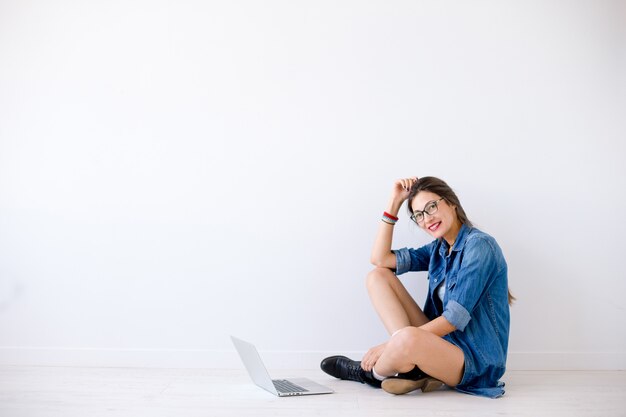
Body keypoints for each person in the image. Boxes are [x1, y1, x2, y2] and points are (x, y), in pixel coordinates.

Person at [320, 176, 513, 398]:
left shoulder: (479, 246)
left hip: (474, 361)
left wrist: (388, 346)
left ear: (451, 202)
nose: (427, 219)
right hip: (442, 345)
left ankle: (371, 374)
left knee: (405, 338)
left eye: (431, 207)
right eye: (419, 215)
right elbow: (380, 259)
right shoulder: (439, 249)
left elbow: (453, 319)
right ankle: (412, 367)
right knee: (378, 277)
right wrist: (394, 202)